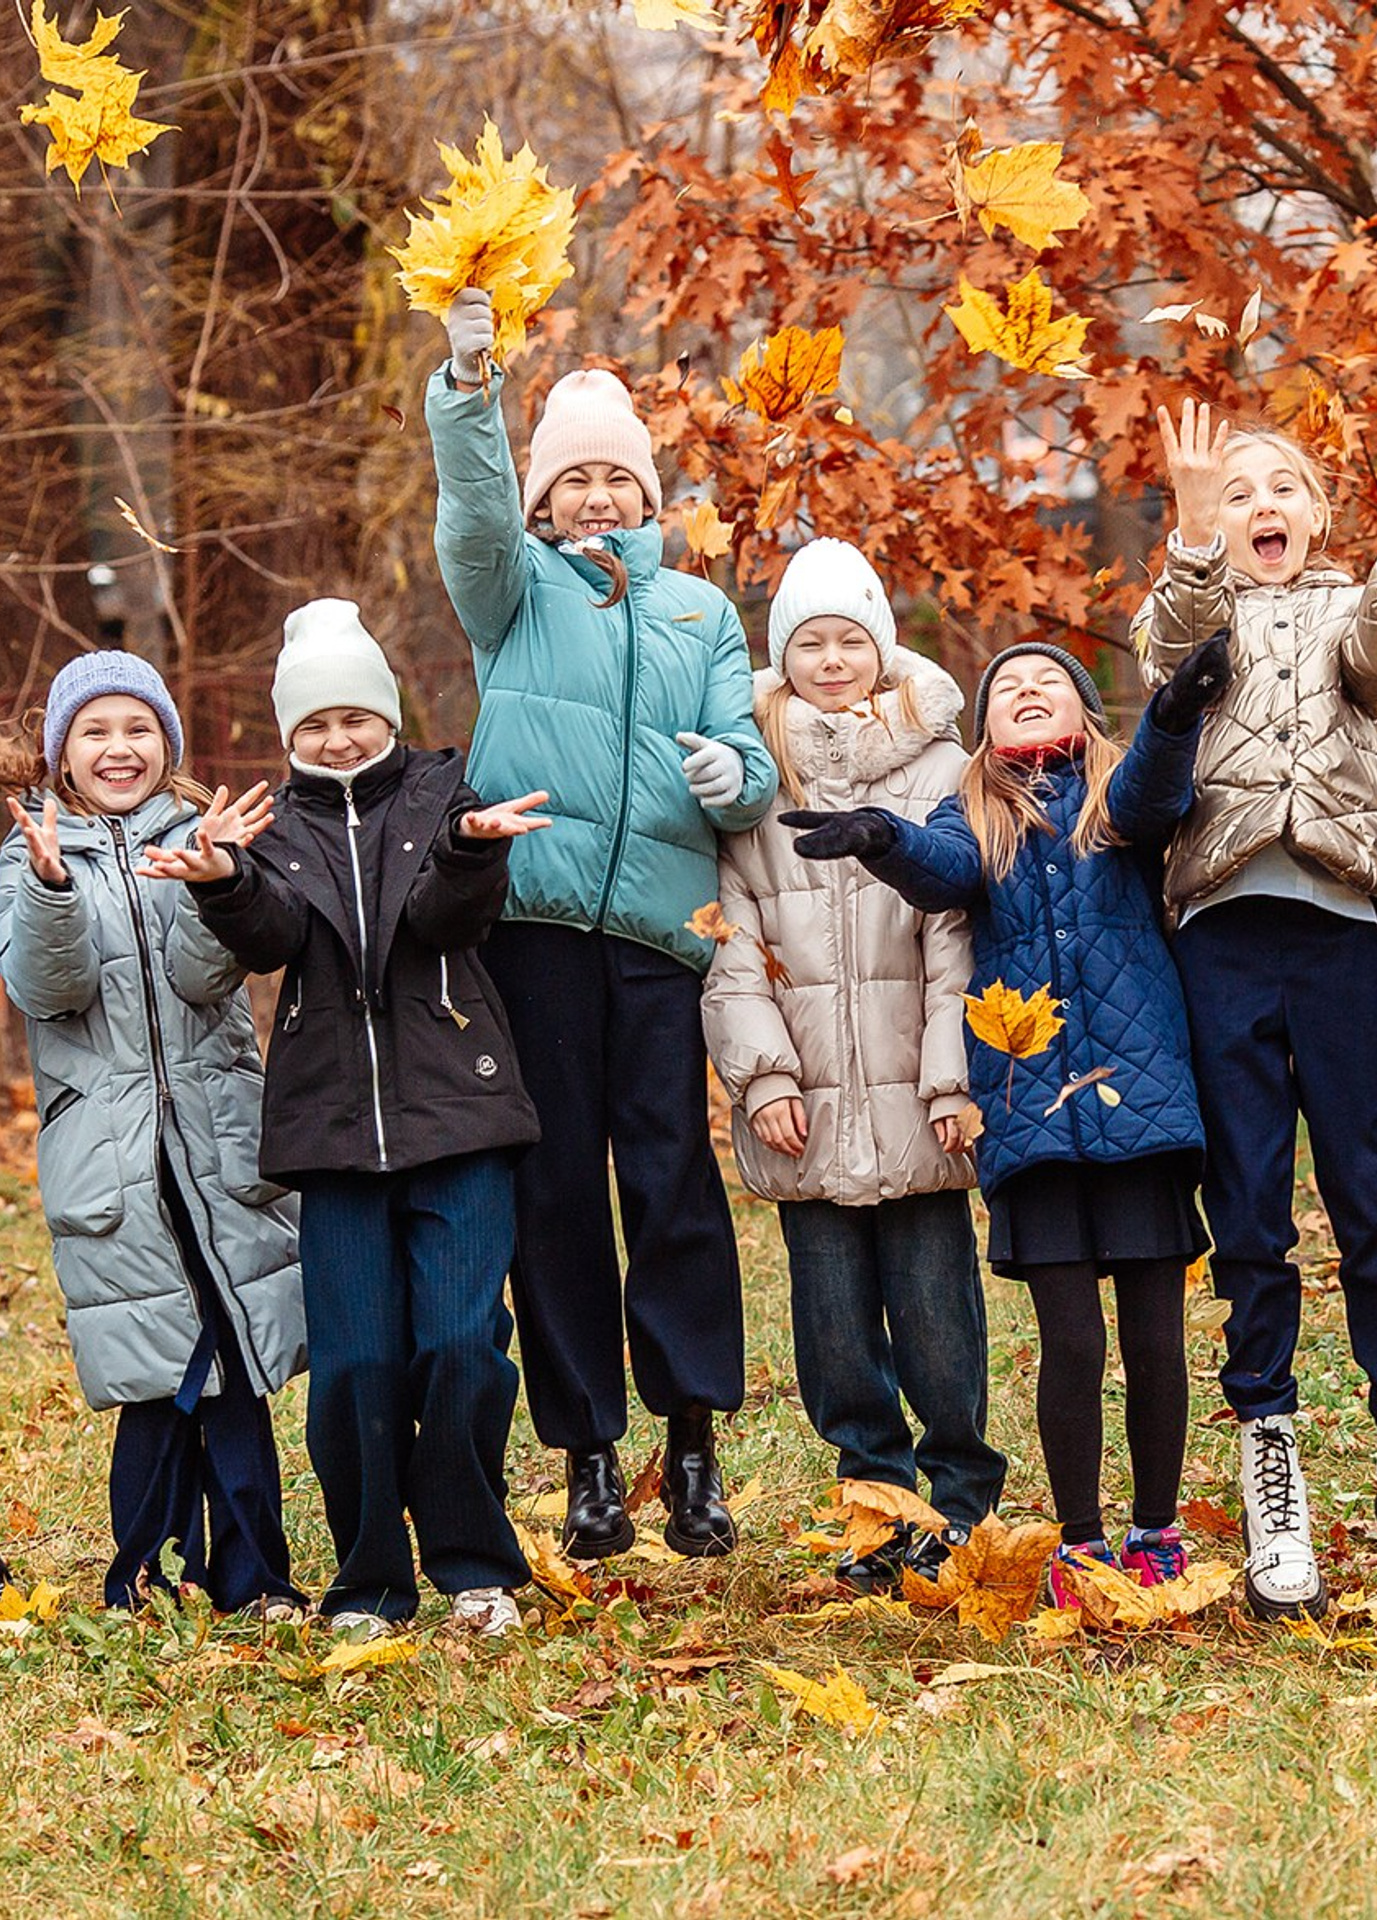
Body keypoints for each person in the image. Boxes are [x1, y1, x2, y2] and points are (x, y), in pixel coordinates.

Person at [426, 290, 776, 1560]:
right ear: (544, 500)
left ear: (648, 493)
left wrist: (742, 780)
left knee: (673, 1180)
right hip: (532, 926)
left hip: (657, 938)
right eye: (570, 480)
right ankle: (587, 1456)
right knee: (558, 1186)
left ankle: (693, 1443)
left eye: (614, 479)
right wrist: (470, 391)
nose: (595, 498)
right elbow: (469, 509)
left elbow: (748, 750)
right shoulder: (511, 589)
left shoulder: (700, 615)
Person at [1135, 395, 1377, 1619]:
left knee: (1372, 1201)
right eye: (1237, 493)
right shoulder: (1195, 602)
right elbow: (1164, 660)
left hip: (1335, 934)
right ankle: (1270, 1446)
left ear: (1318, 515)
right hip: (1221, 936)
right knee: (1248, 1208)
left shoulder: (1348, 608)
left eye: (1280, 488)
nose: (1261, 507)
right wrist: (1189, 526)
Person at [782, 635, 1230, 1603]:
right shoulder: (971, 811)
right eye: (1008, 689)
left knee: (1155, 1332)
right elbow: (940, 868)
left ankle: (1155, 1526)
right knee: (1072, 1339)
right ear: (981, 727)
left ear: (1083, 713)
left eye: (1049, 684)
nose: (1027, 693)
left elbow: (1158, 784)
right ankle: (1080, 1537)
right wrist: (880, 836)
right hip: (1032, 1116)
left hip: (1137, 1098)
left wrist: (1177, 709)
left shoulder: (1119, 802)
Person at [146, 600, 543, 1637]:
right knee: (358, 1365)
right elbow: (272, 940)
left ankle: (473, 1568)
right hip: (330, 1132)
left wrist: (469, 852)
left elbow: (445, 920)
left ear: (388, 714)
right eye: (314, 724)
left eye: (355, 717)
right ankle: (369, 1582)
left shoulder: (447, 794)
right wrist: (227, 881)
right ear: (290, 737)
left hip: (460, 1115)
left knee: (461, 1348)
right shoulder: (271, 826)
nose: (338, 738)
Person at [702, 538, 1005, 1588]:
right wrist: (767, 1075)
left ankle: (959, 1501)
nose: (832, 660)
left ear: (882, 649)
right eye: (810, 643)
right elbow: (731, 942)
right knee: (832, 1332)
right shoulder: (757, 782)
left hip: (919, 1103)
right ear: (784, 659)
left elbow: (952, 940)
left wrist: (952, 1079)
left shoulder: (935, 769)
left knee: (936, 1317)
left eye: (851, 640)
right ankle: (875, 1506)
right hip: (808, 1106)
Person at [0, 651, 304, 1615]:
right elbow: (50, 989)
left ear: (165, 743)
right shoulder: (25, 857)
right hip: (110, 1155)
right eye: (95, 732)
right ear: (62, 755)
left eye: (137, 730)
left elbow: (202, 977)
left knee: (233, 1361)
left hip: (215, 1141)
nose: (118, 748)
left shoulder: (197, 832)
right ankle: (142, 1574)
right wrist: (51, 891)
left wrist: (216, 879)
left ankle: (254, 1578)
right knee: (156, 1368)